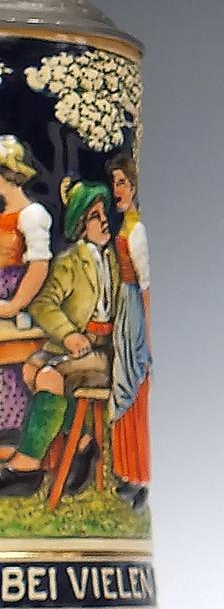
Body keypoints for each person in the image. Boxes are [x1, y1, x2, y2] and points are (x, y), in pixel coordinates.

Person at [0, 181, 118, 498]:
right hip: (78, 345)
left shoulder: (116, 259)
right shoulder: (71, 261)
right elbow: (43, 303)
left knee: (49, 377)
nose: (104, 221)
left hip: (106, 349)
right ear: (80, 224)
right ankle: (80, 445)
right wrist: (68, 334)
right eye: (94, 216)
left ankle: (27, 468)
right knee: (30, 369)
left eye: (103, 214)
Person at [107, 153, 151, 506]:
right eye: (114, 183)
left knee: (134, 386)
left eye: (121, 182)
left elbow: (146, 286)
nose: (116, 189)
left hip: (134, 307)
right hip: (124, 307)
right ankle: (124, 470)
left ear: (134, 185)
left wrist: (148, 338)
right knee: (122, 385)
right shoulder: (124, 226)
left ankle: (138, 476)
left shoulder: (136, 231)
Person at [0, 135, 52, 435]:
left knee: (10, 375)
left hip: (17, 303)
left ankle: (10, 439)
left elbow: (38, 267)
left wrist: (14, 305)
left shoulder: (31, 215)